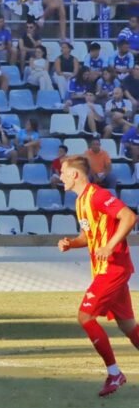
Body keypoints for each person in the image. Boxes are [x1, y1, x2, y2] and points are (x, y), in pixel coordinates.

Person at [57, 155, 139, 397]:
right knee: (127, 325)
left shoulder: (98, 195)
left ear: (74, 174)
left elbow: (129, 216)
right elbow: (87, 236)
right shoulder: (80, 201)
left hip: (113, 268)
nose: (60, 177)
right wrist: (71, 243)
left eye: (63, 172)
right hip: (105, 269)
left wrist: (111, 246)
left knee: (85, 316)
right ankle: (115, 373)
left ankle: (115, 373)